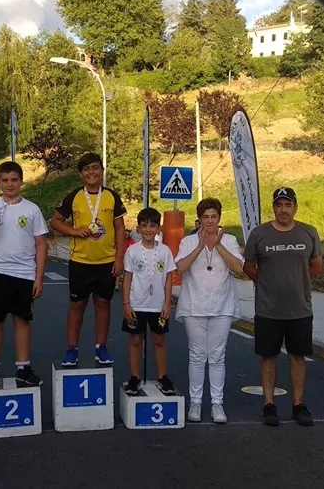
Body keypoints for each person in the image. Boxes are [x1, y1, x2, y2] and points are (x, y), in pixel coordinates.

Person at [243, 187, 322, 427]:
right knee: (269, 357)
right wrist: (266, 283)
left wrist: (298, 284)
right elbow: (248, 266)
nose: (284, 210)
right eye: (279, 205)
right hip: (268, 309)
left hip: (300, 308)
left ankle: (298, 405)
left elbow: (316, 266)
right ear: (274, 208)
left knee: (298, 357)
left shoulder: (309, 233)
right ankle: (269, 404)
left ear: (295, 207)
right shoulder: (260, 234)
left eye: (288, 205)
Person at [0, 161, 48, 390]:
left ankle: (23, 367)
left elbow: (41, 244)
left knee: (22, 320)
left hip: (24, 273)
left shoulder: (32, 209)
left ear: (21, 181)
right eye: (5, 180)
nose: (10, 184)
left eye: (14, 180)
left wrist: (39, 277)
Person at [50, 152, 127, 367]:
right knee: (77, 305)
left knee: (103, 304)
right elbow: (55, 222)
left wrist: (119, 258)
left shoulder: (112, 196)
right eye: (86, 169)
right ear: (81, 174)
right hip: (80, 261)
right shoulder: (74, 196)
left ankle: (100, 347)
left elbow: (120, 228)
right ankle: (71, 349)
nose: (91, 172)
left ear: (102, 171)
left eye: (95, 168)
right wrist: (74, 231)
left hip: (106, 261)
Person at [175, 198, 245, 424]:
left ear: (219, 218)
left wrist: (218, 244)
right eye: (205, 217)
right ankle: (195, 402)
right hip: (194, 304)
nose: (210, 221)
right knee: (196, 355)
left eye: (214, 217)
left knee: (217, 355)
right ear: (199, 219)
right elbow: (180, 268)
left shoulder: (231, 240)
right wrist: (199, 246)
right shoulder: (187, 241)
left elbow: (238, 268)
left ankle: (217, 404)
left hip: (222, 305)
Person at [121, 208, 177, 395]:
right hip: (136, 304)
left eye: (153, 225)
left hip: (158, 305)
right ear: (138, 228)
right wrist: (126, 304)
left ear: (158, 228)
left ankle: (163, 377)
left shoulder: (165, 251)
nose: (148, 229)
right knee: (136, 340)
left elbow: (168, 278)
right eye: (144, 225)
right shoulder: (132, 251)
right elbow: (127, 277)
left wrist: (167, 303)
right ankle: (134, 377)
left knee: (159, 340)